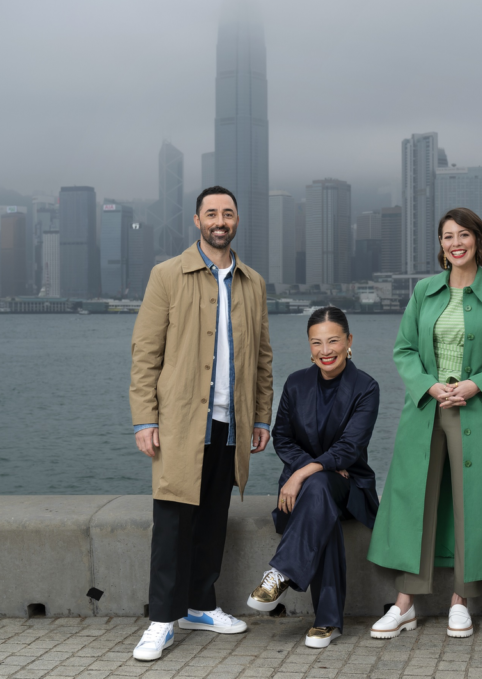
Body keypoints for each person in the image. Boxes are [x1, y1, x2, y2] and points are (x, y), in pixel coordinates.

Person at [129, 185, 274, 661]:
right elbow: (145, 353)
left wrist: (260, 417)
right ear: (196, 221)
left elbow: (263, 358)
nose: (219, 220)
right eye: (211, 213)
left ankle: (200, 604)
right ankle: (161, 620)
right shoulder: (167, 275)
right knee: (172, 522)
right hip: (180, 423)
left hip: (231, 424)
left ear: (236, 221)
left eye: (227, 213)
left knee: (213, 518)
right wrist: (144, 419)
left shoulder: (252, 282)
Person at [367, 207, 482, 639]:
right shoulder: (424, 292)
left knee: (470, 502)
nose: (455, 243)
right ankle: (405, 604)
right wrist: (431, 387)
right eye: (447, 236)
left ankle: (461, 600)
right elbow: (404, 351)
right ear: (441, 245)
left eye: (463, 235)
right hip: (426, 408)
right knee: (417, 500)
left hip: (473, 410)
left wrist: (474, 386)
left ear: (478, 239)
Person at [245, 306, 380, 648]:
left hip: (350, 488)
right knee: (320, 499)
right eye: (317, 343)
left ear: (349, 341)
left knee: (318, 486)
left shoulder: (366, 387)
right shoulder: (296, 383)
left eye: (333, 341)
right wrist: (317, 468)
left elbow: (351, 447)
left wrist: (302, 472)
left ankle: (281, 573)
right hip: (310, 490)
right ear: (309, 346)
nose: (325, 351)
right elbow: (283, 437)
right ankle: (328, 622)